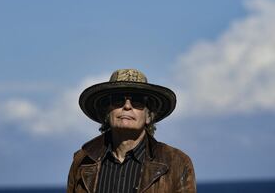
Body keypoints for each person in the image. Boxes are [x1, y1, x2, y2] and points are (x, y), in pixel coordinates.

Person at [67, 69, 196, 193]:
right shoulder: (82, 161)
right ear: (107, 112)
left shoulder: (177, 162)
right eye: (118, 99)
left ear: (149, 116)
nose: (127, 106)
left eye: (138, 100)